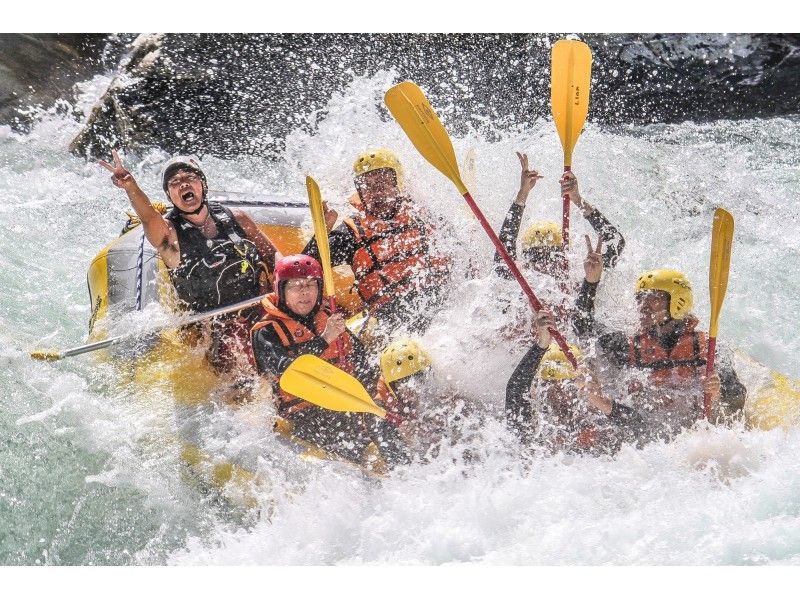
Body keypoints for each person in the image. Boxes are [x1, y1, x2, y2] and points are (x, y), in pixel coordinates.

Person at [100, 151, 279, 371]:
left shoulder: (236, 218)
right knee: (238, 351)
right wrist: (131, 186)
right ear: (169, 195)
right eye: (175, 182)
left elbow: (273, 257)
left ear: (202, 185)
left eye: (190, 178)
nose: (183, 184)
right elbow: (148, 217)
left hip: (259, 310)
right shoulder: (169, 235)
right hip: (215, 329)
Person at [250, 254, 409, 467]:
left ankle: (406, 472)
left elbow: (361, 364)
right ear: (281, 291)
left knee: (379, 418)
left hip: (347, 404)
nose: (305, 292)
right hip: (305, 416)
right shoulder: (266, 331)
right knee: (348, 437)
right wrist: (324, 340)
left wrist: (387, 400)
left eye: (311, 285)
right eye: (296, 286)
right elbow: (286, 371)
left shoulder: (330, 318)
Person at [573, 266, 747, 445]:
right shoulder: (628, 344)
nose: (643, 306)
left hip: (697, 437)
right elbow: (581, 328)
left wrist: (717, 393)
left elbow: (737, 399)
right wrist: (591, 281)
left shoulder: (709, 348)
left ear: (677, 301)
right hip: (645, 433)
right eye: (640, 299)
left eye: (653, 299)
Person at [303, 149, 451, 338]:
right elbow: (304, 269)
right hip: (387, 320)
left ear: (397, 183)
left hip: (444, 312)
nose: (376, 192)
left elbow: (461, 256)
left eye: (382, 183)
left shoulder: (424, 215)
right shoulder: (352, 231)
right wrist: (320, 234)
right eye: (367, 186)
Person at [495, 152, 625, 283]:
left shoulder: (584, 280)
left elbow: (616, 242)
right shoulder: (514, 288)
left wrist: (578, 199)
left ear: (565, 258)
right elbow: (504, 248)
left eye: (553, 257)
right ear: (525, 263)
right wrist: (522, 193)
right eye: (535, 257)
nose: (544, 267)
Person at [505, 309, 620, 455]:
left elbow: (640, 430)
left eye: (566, 384)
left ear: (581, 385)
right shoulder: (535, 425)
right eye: (549, 384)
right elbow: (515, 388)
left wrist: (604, 405)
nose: (558, 391)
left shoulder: (598, 419)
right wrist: (542, 344)